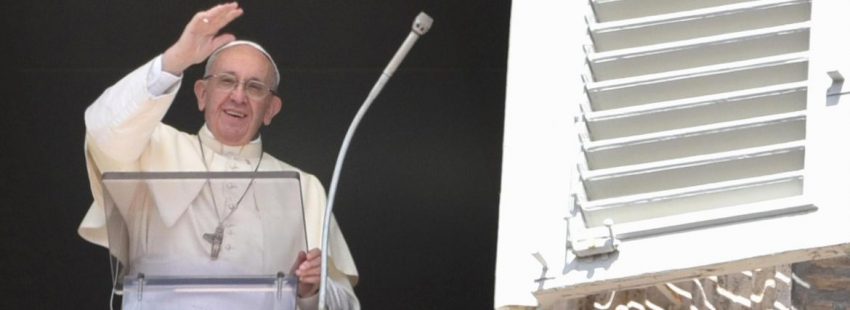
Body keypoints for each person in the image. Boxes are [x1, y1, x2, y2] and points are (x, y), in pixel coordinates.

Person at [76, 3, 359, 309]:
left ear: (270, 110)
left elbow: (344, 302)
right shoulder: (152, 148)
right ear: (201, 94)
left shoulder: (305, 188)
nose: (238, 96)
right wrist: (175, 60)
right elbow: (102, 129)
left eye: (254, 87)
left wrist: (310, 291)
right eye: (226, 81)